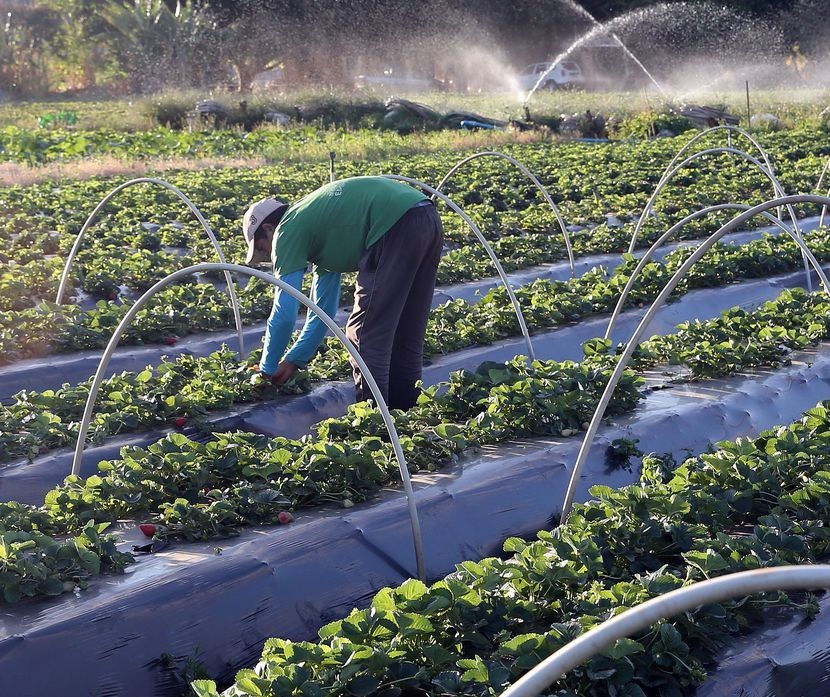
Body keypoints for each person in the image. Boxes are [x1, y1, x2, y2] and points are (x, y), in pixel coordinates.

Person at [242, 175, 444, 411]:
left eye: (262, 247)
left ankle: (375, 422)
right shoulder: (317, 227)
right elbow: (323, 311)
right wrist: (295, 358)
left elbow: (285, 311)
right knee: (406, 329)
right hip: (425, 215)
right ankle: (404, 415)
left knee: (364, 333)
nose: (267, 255)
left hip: (393, 223)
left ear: (268, 229)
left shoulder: (287, 230)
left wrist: (266, 369)